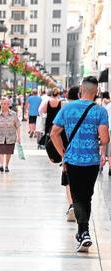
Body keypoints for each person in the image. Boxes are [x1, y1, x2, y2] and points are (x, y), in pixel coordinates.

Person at [50, 76, 109, 252]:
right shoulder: (100, 111)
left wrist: (63, 154)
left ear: (81, 90)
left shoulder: (67, 108)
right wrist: (95, 141)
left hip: (73, 160)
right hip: (91, 161)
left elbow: (54, 133)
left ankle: (83, 232)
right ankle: (83, 232)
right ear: (96, 92)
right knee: (86, 196)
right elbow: (105, 138)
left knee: (76, 196)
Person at [63, 86, 80, 222]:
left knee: (68, 179)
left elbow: (55, 131)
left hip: (68, 150)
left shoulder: (66, 109)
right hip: (83, 150)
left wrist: (61, 152)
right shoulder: (86, 108)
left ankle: (71, 205)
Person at [0, 98, 21, 173]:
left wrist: (19, 137)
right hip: (0, 136)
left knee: (8, 152)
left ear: (8, 105)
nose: (3, 105)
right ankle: (1, 165)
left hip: (11, 136)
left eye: (5, 104)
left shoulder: (13, 114)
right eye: (2, 104)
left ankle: (6, 165)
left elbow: (17, 126)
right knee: (1, 151)